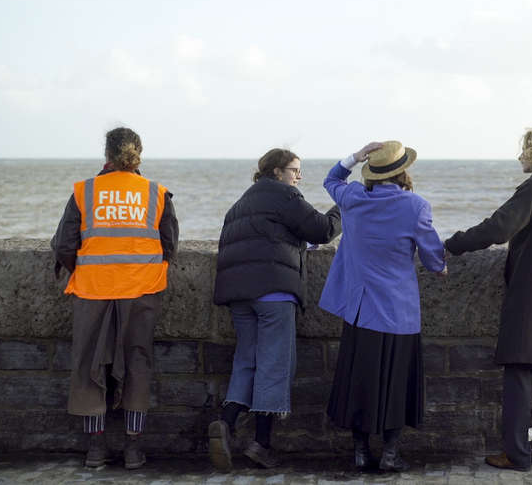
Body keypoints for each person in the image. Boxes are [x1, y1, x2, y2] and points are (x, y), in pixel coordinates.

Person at [444, 127, 532, 472]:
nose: (520, 155)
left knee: (519, 375)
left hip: (529, 296)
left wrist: (453, 243)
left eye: (524, 149)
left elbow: (497, 229)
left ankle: (517, 454)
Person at [51, 127, 179, 469]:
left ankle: (96, 450)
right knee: (137, 362)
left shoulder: (85, 191)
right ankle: (134, 449)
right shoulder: (156, 192)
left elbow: (64, 244)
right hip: (141, 290)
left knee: (90, 364)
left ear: (106, 154)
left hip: (92, 289)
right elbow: (169, 245)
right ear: (139, 152)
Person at [208, 148, 342, 471]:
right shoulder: (285, 195)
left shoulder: (239, 204)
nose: (298, 177)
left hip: (238, 294)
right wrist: (344, 206)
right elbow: (322, 230)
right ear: (277, 171)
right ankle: (261, 444)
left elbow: (270, 238)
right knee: (274, 364)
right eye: (295, 170)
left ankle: (225, 424)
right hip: (273, 292)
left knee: (247, 360)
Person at [320, 141, 447, 472]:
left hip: (361, 311)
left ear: (371, 174)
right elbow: (434, 257)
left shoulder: (354, 200)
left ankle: (360, 452)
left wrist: (354, 156)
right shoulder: (415, 206)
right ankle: (390, 453)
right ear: (403, 171)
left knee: (358, 382)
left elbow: (331, 180)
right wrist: (440, 266)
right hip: (398, 312)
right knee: (397, 383)